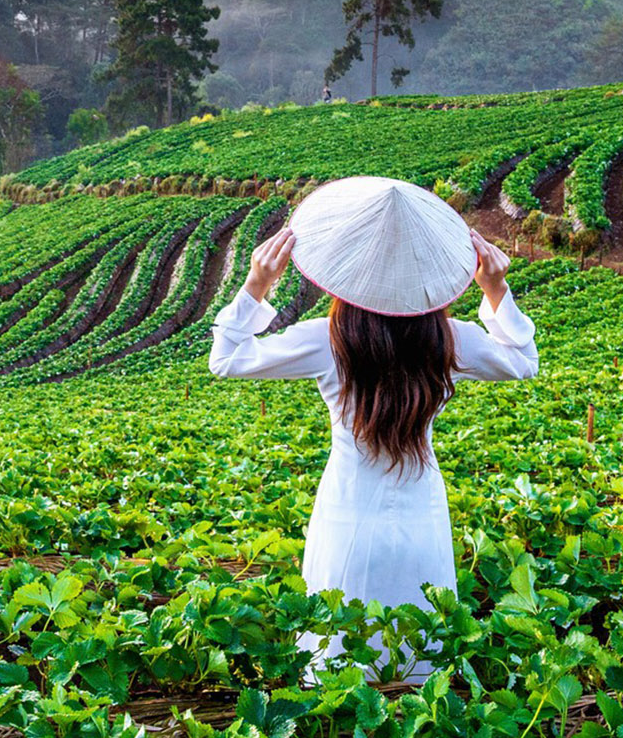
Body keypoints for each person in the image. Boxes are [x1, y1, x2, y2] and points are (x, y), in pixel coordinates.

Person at [207, 175, 537, 680]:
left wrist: (257, 283)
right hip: (421, 510)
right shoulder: (449, 340)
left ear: (350, 272)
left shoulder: (328, 339)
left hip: (347, 511)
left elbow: (227, 357)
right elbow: (523, 360)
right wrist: (495, 289)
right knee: (419, 644)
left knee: (339, 646)